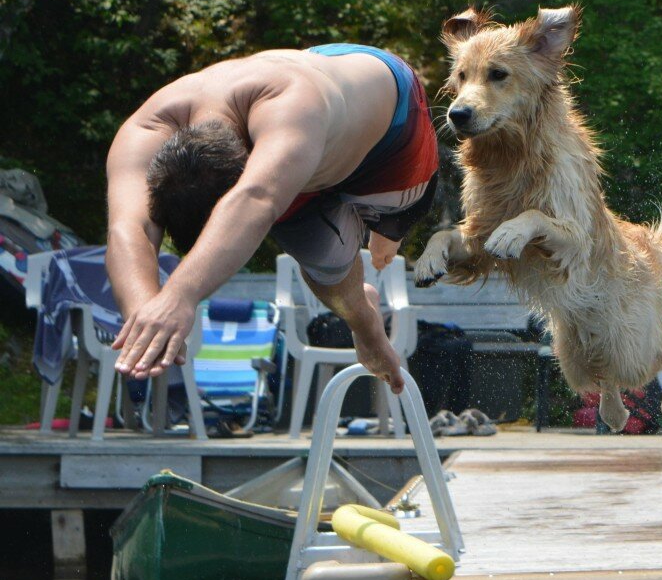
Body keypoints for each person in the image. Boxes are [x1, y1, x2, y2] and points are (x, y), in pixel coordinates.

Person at [106, 44, 439, 395]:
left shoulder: (289, 104)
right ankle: (365, 319)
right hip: (293, 162)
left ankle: (388, 227)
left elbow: (255, 199)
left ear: (248, 162)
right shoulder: (146, 129)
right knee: (325, 266)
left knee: (401, 210)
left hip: (388, 128)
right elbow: (129, 228)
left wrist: (178, 297)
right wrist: (145, 316)